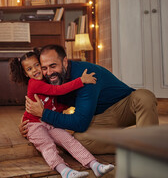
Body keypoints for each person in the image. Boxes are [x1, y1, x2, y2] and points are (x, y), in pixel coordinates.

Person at [20, 44, 159, 154]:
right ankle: (135, 145)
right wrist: (27, 124)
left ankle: (150, 147)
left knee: (144, 97)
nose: (48, 72)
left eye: (53, 66)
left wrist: (44, 114)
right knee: (79, 140)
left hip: (124, 107)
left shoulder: (86, 76)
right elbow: (45, 104)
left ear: (65, 62)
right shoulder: (49, 80)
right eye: (44, 68)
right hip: (99, 117)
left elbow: (79, 123)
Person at [10, 50, 114, 178]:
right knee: (47, 145)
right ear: (26, 74)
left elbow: (55, 105)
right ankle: (64, 171)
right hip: (34, 125)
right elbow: (57, 91)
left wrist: (74, 104)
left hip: (49, 123)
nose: (35, 70)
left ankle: (94, 165)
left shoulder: (46, 80)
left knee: (69, 140)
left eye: (37, 65)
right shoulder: (34, 84)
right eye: (30, 69)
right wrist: (80, 81)